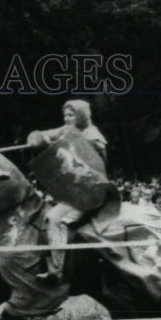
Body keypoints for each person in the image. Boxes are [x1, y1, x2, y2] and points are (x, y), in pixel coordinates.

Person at [26, 99, 108, 283]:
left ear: (80, 116)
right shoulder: (69, 130)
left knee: (55, 218)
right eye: (65, 115)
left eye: (71, 115)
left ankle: (56, 270)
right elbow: (50, 133)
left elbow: (95, 168)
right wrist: (37, 137)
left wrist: (58, 143)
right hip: (76, 192)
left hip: (90, 193)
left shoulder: (92, 137)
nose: (67, 119)